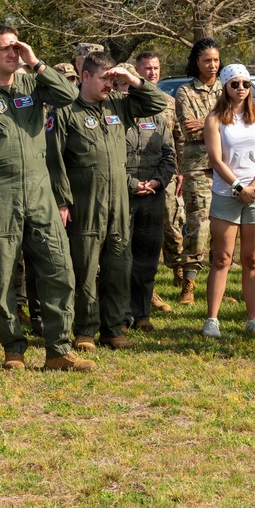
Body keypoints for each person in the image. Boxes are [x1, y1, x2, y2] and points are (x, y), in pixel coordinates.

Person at [0, 24, 94, 371]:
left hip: (39, 191)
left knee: (58, 268)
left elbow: (69, 96)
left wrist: (37, 63)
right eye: (5, 48)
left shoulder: (33, 84)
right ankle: (13, 348)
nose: (12, 53)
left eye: (16, 47)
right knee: (2, 276)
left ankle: (58, 351)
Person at [48, 52, 167, 351]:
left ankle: (112, 330)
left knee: (118, 267)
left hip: (118, 204)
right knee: (85, 270)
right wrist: (62, 201)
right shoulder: (65, 111)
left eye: (113, 80)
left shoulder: (117, 104)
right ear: (85, 76)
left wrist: (133, 80)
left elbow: (157, 103)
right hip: (85, 203)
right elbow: (54, 161)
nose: (109, 85)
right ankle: (85, 330)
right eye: (104, 79)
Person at [202, 64, 255, 338]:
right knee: (222, 258)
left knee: (252, 260)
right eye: (235, 84)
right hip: (226, 193)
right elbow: (216, 159)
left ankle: (253, 318)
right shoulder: (215, 119)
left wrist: (253, 186)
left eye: (245, 84)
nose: (241, 88)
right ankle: (212, 319)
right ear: (225, 87)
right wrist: (237, 186)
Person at [116, 64, 175, 333]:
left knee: (147, 258)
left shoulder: (158, 118)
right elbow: (109, 159)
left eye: (131, 85)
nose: (127, 91)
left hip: (152, 195)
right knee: (121, 257)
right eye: (122, 85)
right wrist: (131, 183)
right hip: (122, 194)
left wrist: (157, 181)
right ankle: (122, 314)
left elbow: (169, 155)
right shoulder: (113, 116)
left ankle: (142, 313)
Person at [174, 38, 223, 304]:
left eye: (216, 60)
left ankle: (220, 285)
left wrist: (207, 123)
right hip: (198, 167)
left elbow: (237, 121)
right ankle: (188, 284)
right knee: (199, 223)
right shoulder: (184, 91)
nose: (212, 65)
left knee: (224, 224)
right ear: (196, 62)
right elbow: (188, 129)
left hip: (227, 166)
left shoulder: (228, 88)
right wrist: (219, 123)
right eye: (207, 60)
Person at [136, 51, 182, 312]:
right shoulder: (126, 101)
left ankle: (178, 272)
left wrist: (180, 171)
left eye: (156, 67)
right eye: (147, 68)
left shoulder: (169, 101)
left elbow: (178, 138)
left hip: (165, 173)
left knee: (172, 222)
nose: (152, 72)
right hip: (136, 175)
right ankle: (148, 294)